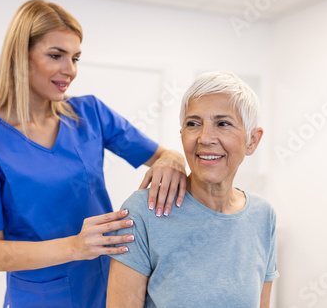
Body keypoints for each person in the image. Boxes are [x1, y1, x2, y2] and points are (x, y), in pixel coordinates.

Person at [0, 0, 187, 308]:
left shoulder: (89, 113)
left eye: (75, 57)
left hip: (112, 286)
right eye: (56, 55)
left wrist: (173, 159)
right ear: (20, 57)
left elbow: (162, 155)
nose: (71, 70)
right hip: (41, 297)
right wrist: (76, 246)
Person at [107, 71, 279, 308]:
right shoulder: (143, 210)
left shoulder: (263, 214)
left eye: (223, 123)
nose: (205, 137)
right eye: (193, 124)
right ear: (182, 134)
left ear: (252, 141)